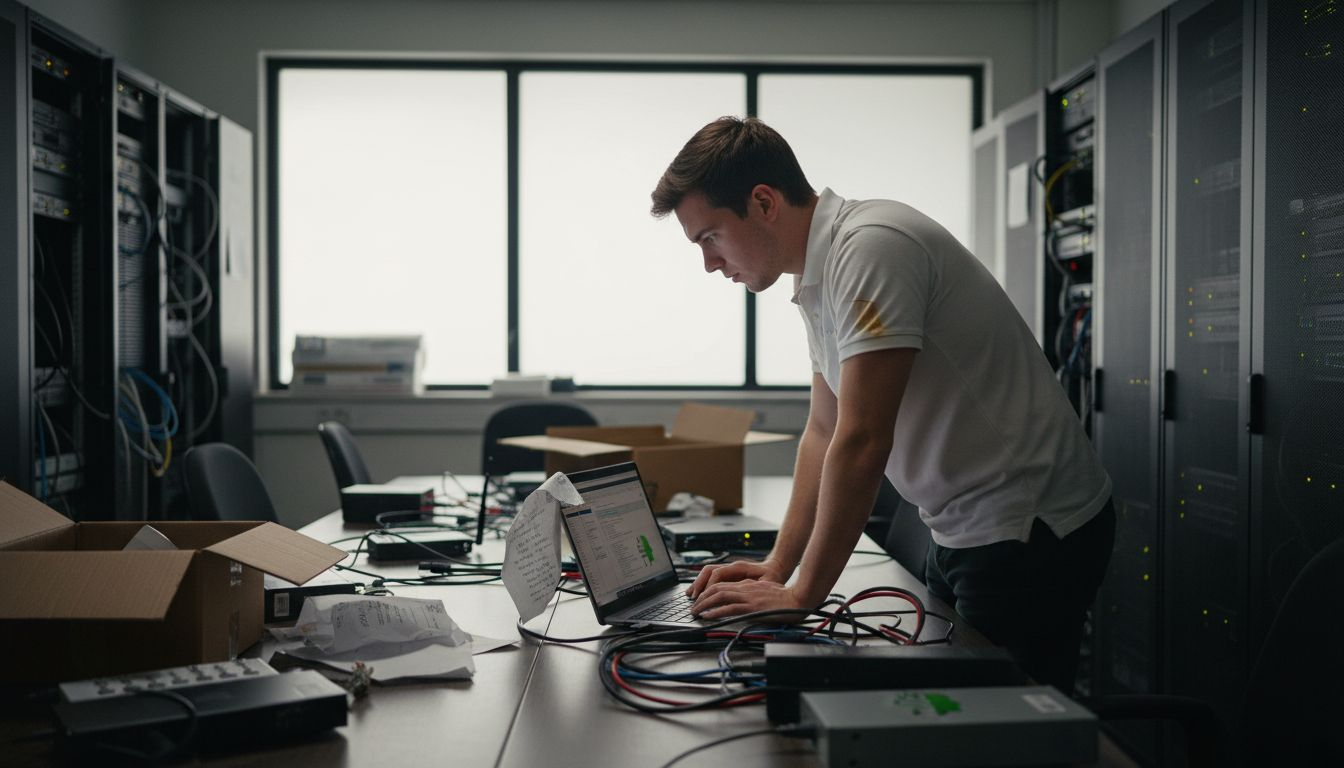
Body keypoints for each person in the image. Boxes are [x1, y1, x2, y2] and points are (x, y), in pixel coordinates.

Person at [649, 116, 1114, 693]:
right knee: (955, 710)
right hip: (963, 526)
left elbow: (864, 438)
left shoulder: (871, 248)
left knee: (999, 727)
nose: (709, 263)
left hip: (1027, 526)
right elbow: (823, 430)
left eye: (710, 237)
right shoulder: (818, 276)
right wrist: (778, 567)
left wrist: (800, 597)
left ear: (763, 202)